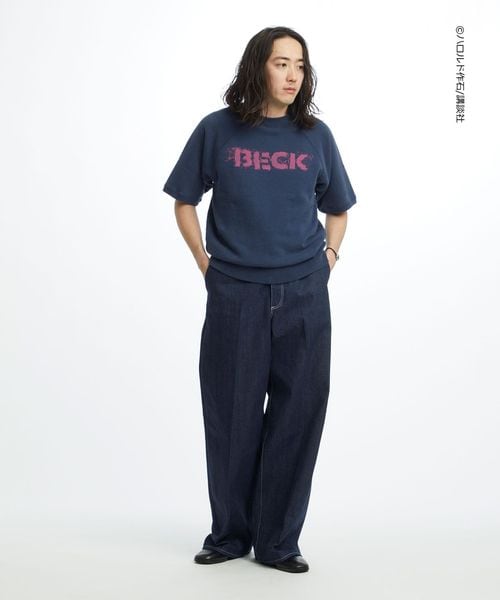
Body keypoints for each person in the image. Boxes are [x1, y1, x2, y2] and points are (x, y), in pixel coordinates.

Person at [162, 26, 357, 574]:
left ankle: (278, 542)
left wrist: (328, 259)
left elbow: (338, 208)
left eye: (300, 65)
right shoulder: (217, 130)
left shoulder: (316, 136)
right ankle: (229, 535)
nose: (293, 75)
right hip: (235, 292)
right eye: (281, 63)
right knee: (231, 415)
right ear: (258, 67)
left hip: (304, 293)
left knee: (299, 414)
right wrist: (205, 262)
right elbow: (183, 200)